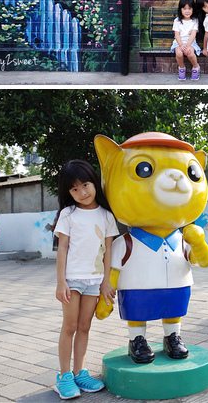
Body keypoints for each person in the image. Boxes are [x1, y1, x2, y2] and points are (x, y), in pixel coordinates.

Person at [51, 159, 120, 399]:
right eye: (74, 189)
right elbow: (62, 249)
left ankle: (80, 372)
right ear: (68, 192)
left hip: (95, 280)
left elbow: (108, 250)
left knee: (84, 327)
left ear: (94, 183)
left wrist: (106, 281)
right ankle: (64, 376)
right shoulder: (68, 214)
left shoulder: (106, 216)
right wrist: (61, 282)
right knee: (69, 326)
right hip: (72, 280)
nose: (82, 192)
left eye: (85, 185)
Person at [171, 0, 201, 82]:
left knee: (189, 52)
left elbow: (193, 34)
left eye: (189, 8)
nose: (187, 11)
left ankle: (195, 67)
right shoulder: (177, 21)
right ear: (181, 10)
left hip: (191, 43)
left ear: (193, 9)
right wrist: (181, 45)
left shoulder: (195, 20)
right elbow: (176, 35)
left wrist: (187, 46)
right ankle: (181, 67)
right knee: (179, 53)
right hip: (178, 42)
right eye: (184, 8)